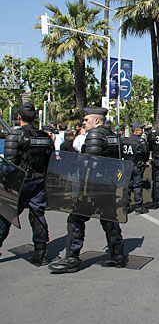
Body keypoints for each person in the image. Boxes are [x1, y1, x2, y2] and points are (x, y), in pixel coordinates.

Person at [48, 107, 127, 273]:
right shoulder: (112, 135)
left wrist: (83, 189)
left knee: (75, 220)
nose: (83, 123)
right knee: (109, 220)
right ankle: (117, 254)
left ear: (96, 121)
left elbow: (91, 163)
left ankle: (72, 258)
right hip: (109, 184)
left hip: (94, 186)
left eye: (86, 120)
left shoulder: (95, 135)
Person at [0, 102, 54, 266]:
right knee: (38, 215)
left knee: (5, 214)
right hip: (39, 181)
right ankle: (41, 252)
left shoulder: (15, 136)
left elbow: (9, 165)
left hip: (20, 182)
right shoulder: (45, 137)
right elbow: (50, 160)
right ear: (35, 118)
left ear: (18, 117)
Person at [121, 123, 150, 214]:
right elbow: (145, 153)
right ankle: (138, 206)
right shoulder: (140, 141)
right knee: (137, 185)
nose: (142, 132)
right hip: (137, 165)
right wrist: (144, 161)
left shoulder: (124, 140)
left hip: (127, 164)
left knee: (127, 186)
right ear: (136, 130)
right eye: (141, 130)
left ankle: (126, 205)